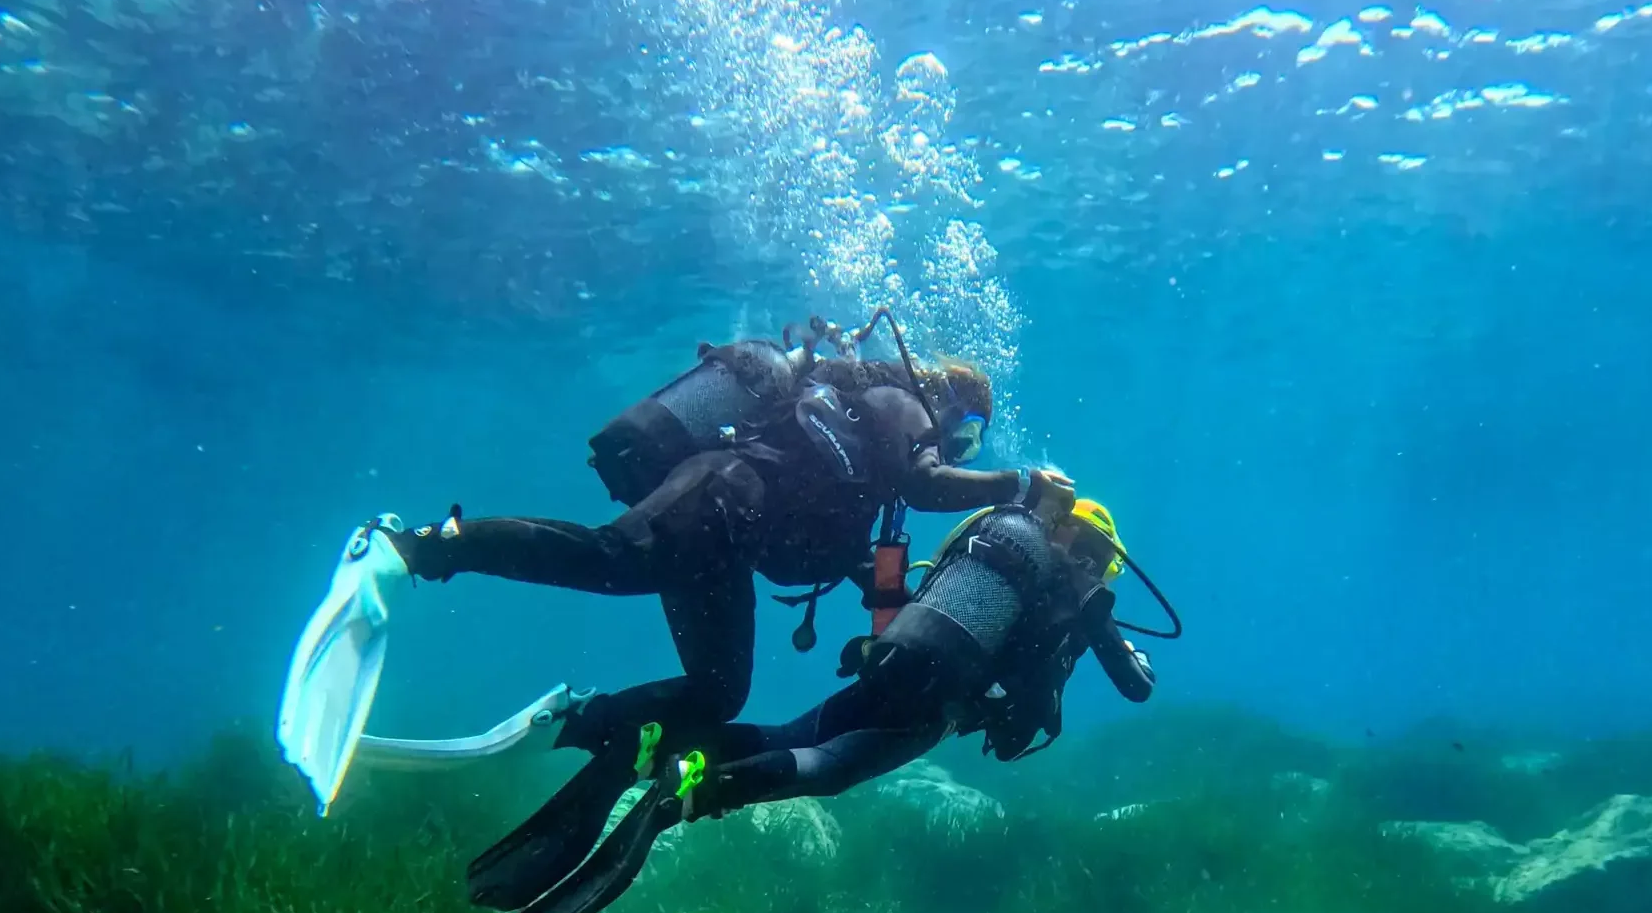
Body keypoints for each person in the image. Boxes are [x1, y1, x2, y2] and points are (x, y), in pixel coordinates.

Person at [276, 310, 1074, 826]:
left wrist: (895, 636)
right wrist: (1020, 485)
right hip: (717, 496)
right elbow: (927, 482)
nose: (957, 448)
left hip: (725, 541)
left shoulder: (871, 467)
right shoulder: (900, 405)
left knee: (719, 691)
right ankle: (407, 548)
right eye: (966, 432)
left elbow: (854, 558)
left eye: (968, 444)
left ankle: (578, 723)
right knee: (618, 559)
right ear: (943, 400)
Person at [486, 497, 1173, 913]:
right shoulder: (1079, 587)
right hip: (937, 706)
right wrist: (1120, 641)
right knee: (831, 768)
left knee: (789, 735)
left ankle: (652, 744)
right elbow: (1136, 688)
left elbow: (907, 594)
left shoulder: (996, 548)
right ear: (1093, 549)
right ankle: (689, 789)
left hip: (891, 663)